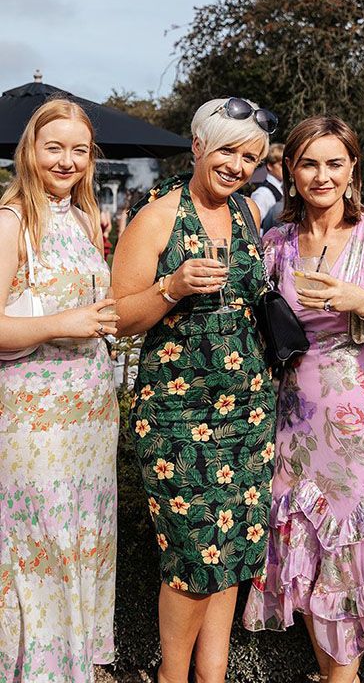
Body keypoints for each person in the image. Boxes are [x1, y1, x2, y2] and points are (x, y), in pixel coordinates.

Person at [243, 115, 364, 683]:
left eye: (333, 163)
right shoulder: (276, 242)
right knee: (310, 545)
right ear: (289, 170)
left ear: (353, 168)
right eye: (308, 163)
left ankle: (341, 678)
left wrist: (362, 300)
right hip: (298, 420)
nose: (320, 175)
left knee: (354, 550)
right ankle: (334, 677)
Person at [111, 96, 278, 683]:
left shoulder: (248, 217)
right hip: (179, 416)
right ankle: (171, 677)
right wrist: (173, 287)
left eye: (251, 157)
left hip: (249, 413)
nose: (237, 165)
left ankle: (215, 676)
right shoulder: (157, 217)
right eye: (228, 150)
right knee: (189, 557)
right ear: (199, 145)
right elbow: (119, 319)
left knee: (230, 553)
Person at [0, 99, 119, 682]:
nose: (67, 160)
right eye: (55, 147)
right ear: (30, 151)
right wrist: (59, 325)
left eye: (79, 149)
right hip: (35, 423)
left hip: (91, 422)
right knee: (41, 549)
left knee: (81, 544)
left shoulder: (79, 218)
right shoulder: (10, 221)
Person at [251, 142, 284, 233]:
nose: (286, 169)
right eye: (281, 165)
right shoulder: (262, 194)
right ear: (269, 166)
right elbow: (253, 228)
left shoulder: (283, 190)